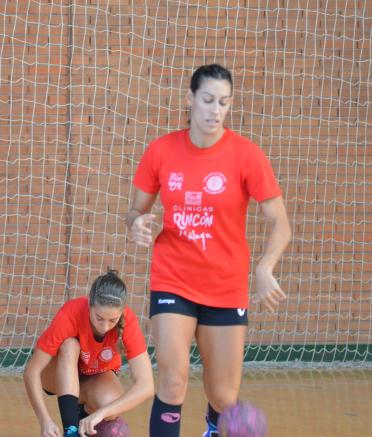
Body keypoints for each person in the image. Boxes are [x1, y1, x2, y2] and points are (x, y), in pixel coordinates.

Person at [125, 64, 291, 437]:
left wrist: (265, 267)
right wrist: (136, 223)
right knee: (172, 380)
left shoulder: (246, 156)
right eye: (208, 100)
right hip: (173, 280)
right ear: (190, 99)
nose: (215, 110)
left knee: (223, 397)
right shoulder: (161, 151)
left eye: (224, 103)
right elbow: (136, 210)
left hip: (225, 285)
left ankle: (214, 427)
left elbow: (280, 221)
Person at [24, 270, 155, 437]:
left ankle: (85, 417)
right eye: (99, 318)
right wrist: (45, 420)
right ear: (90, 305)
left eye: (112, 320)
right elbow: (31, 371)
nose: (105, 326)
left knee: (111, 404)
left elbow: (146, 387)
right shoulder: (71, 313)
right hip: (56, 376)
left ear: (121, 313)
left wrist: (102, 412)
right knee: (70, 345)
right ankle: (70, 431)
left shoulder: (129, 321)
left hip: (93, 376)